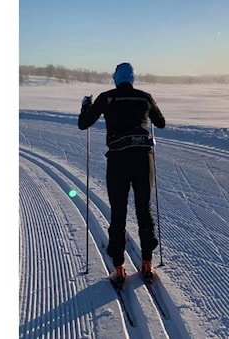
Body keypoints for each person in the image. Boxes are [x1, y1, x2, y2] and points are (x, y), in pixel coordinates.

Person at [78, 62, 166, 287]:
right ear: (133, 78)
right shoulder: (144, 97)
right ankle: (147, 262)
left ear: (115, 78)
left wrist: (85, 106)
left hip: (118, 160)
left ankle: (119, 267)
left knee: (118, 211)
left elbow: (83, 124)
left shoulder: (107, 97)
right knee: (144, 209)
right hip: (143, 159)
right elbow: (161, 123)